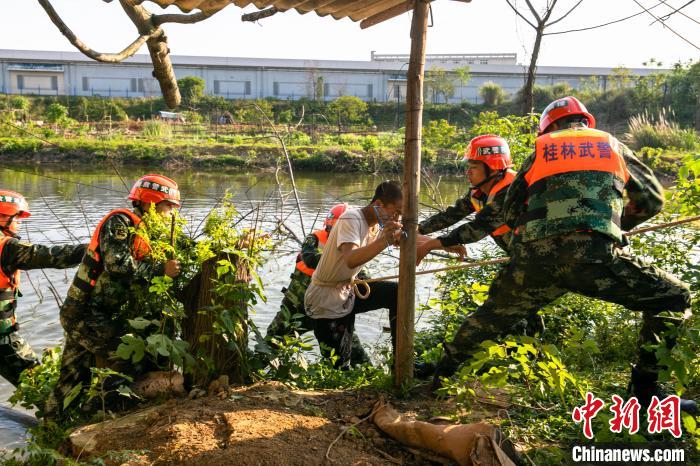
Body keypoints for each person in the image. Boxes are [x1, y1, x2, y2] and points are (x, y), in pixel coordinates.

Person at [431, 96, 696, 414]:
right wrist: (614, 225)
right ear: (585, 121)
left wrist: (533, 234)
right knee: (673, 297)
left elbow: (507, 210)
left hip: (534, 260)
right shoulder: (610, 144)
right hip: (595, 257)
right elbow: (651, 199)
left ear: (549, 127)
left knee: (488, 318)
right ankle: (645, 394)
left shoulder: (541, 150)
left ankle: (438, 378)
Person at [46, 174, 182, 419]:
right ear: (151, 202)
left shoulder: (145, 232)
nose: (172, 214)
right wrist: (161, 269)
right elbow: (117, 266)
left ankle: (54, 426)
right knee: (129, 356)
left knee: (72, 375)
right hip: (85, 311)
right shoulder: (120, 223)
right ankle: (96, 413)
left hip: (88, 313)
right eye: (169, 207)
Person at [304, 181, 406, 369]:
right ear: (378, 205)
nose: (397, 218)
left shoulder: (376, 226)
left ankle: (400, 363)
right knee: (339, 366)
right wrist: (384, 241)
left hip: (346, 292)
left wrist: (441, 243)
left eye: (401, 214)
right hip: (325, 299)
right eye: (396, 211)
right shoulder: (351, 219)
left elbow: (412, 235)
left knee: (397, 293)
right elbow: (350, 260)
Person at [0, 190, 86, 389]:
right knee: (39, 386)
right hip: (3, 340)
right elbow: (50, 255)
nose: (19, 224)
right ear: (3, 217)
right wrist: (91, 250)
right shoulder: (8, 247)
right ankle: (58, 420)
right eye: (17, 218)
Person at [265, 203, 370, 364]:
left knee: (350, 350)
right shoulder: (314, 239)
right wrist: (339, 262)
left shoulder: (354, 250)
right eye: (332, 229)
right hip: (296, 307)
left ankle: (367, 377)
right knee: (272, 341)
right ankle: (254, 375)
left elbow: (363, 278)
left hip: (331, 309)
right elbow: (310, 258)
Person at [417, 134, 515, 260]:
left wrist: (429, 245)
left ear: (493, 169)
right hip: (522, 255)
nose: (468, 172)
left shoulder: (510, 192)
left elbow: (477, 228)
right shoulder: (479, 192)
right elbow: (452, 214)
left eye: (473, 167)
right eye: (468, 167)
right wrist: (419, 229)